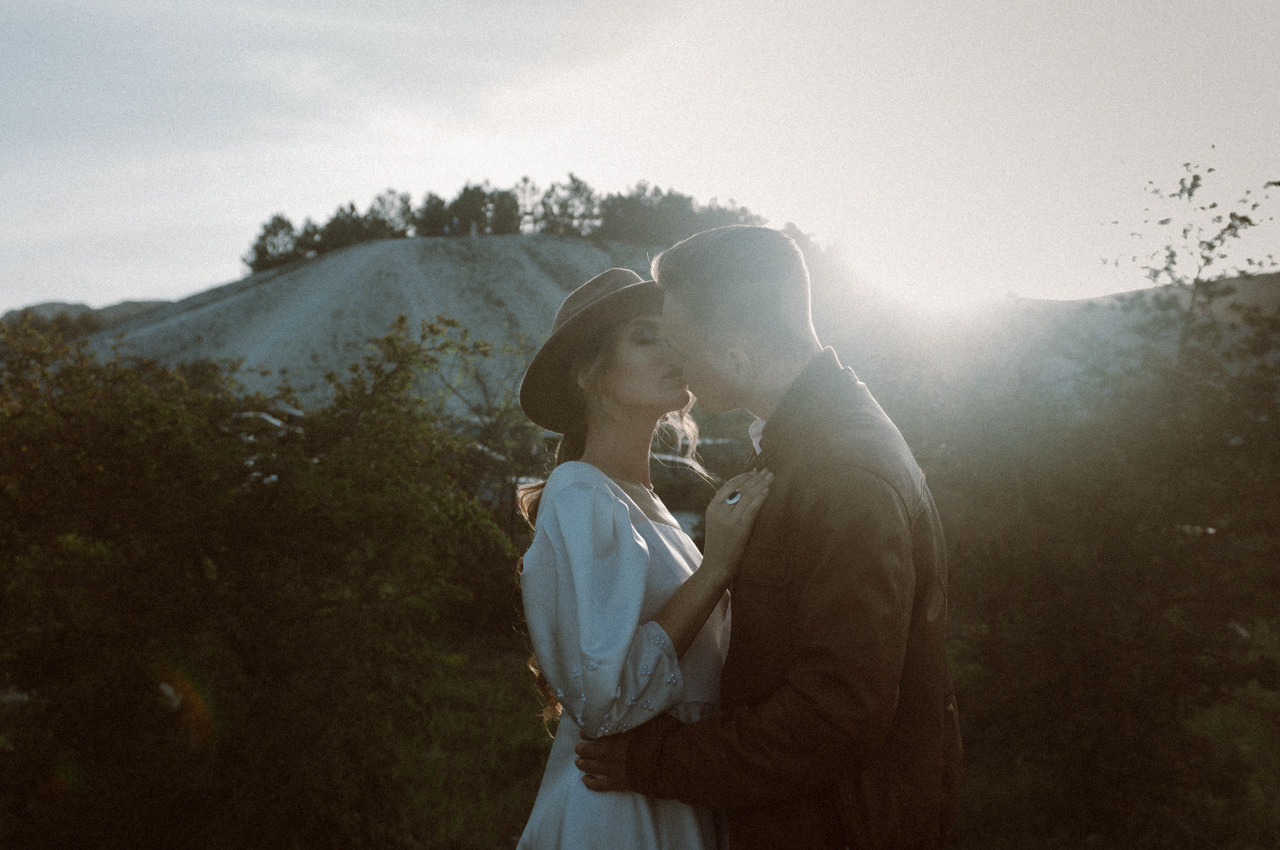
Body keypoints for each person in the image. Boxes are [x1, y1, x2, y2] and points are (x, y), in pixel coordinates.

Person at [573, 226, 963, 849]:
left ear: (735, 351)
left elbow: (835, 714)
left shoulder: (843, 467)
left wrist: (654, 761)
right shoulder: (806, 446)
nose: (680, 368)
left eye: (682, 343)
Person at [515, 267, 773, 849]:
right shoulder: (580, 492)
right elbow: (605, 704)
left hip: (677, 795)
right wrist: (717, 568)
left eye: (671, 335)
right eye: (644, 337)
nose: (672, 352)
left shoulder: (648, 504)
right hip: (621, 816)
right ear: (588, 374)